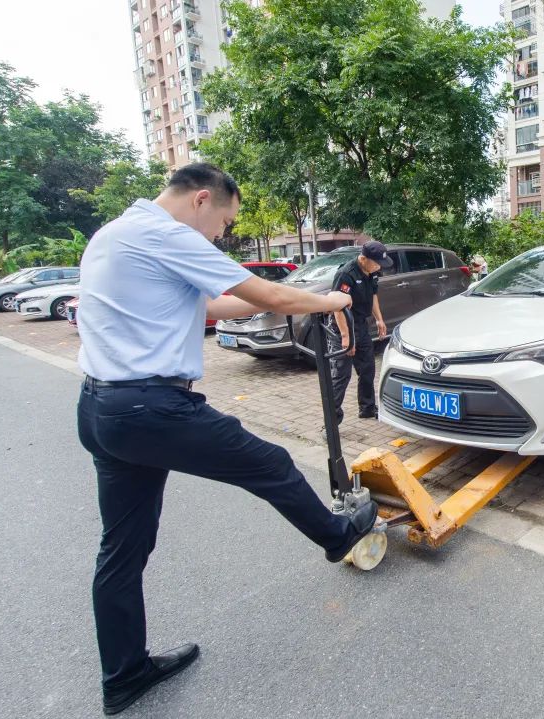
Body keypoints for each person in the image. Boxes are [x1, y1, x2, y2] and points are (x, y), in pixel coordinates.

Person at [76, 163, 380, 715]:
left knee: (122, 550)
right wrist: (329, 302)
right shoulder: (166, 234)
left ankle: (124, 675)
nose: (222, 234)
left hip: (102, 410)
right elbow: (268, 294)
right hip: (152, 408)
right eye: (224, 221)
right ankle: (336, 536)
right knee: (272, 463)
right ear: (200, 200)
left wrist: (293, 292)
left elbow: (217, 306)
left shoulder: (114, 235)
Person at [328, 241, 391, 424]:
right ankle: (331, 422)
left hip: (361, 326)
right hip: (342, 328)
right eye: (376, 263)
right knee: (341, 375)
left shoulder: (372, 272)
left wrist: (379, 319)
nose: (379, 267)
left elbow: (373, 296)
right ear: (363, 259)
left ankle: (367, 408)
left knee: (368, 369)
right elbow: (337, 307)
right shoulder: (346, 274)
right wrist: (346, 337)